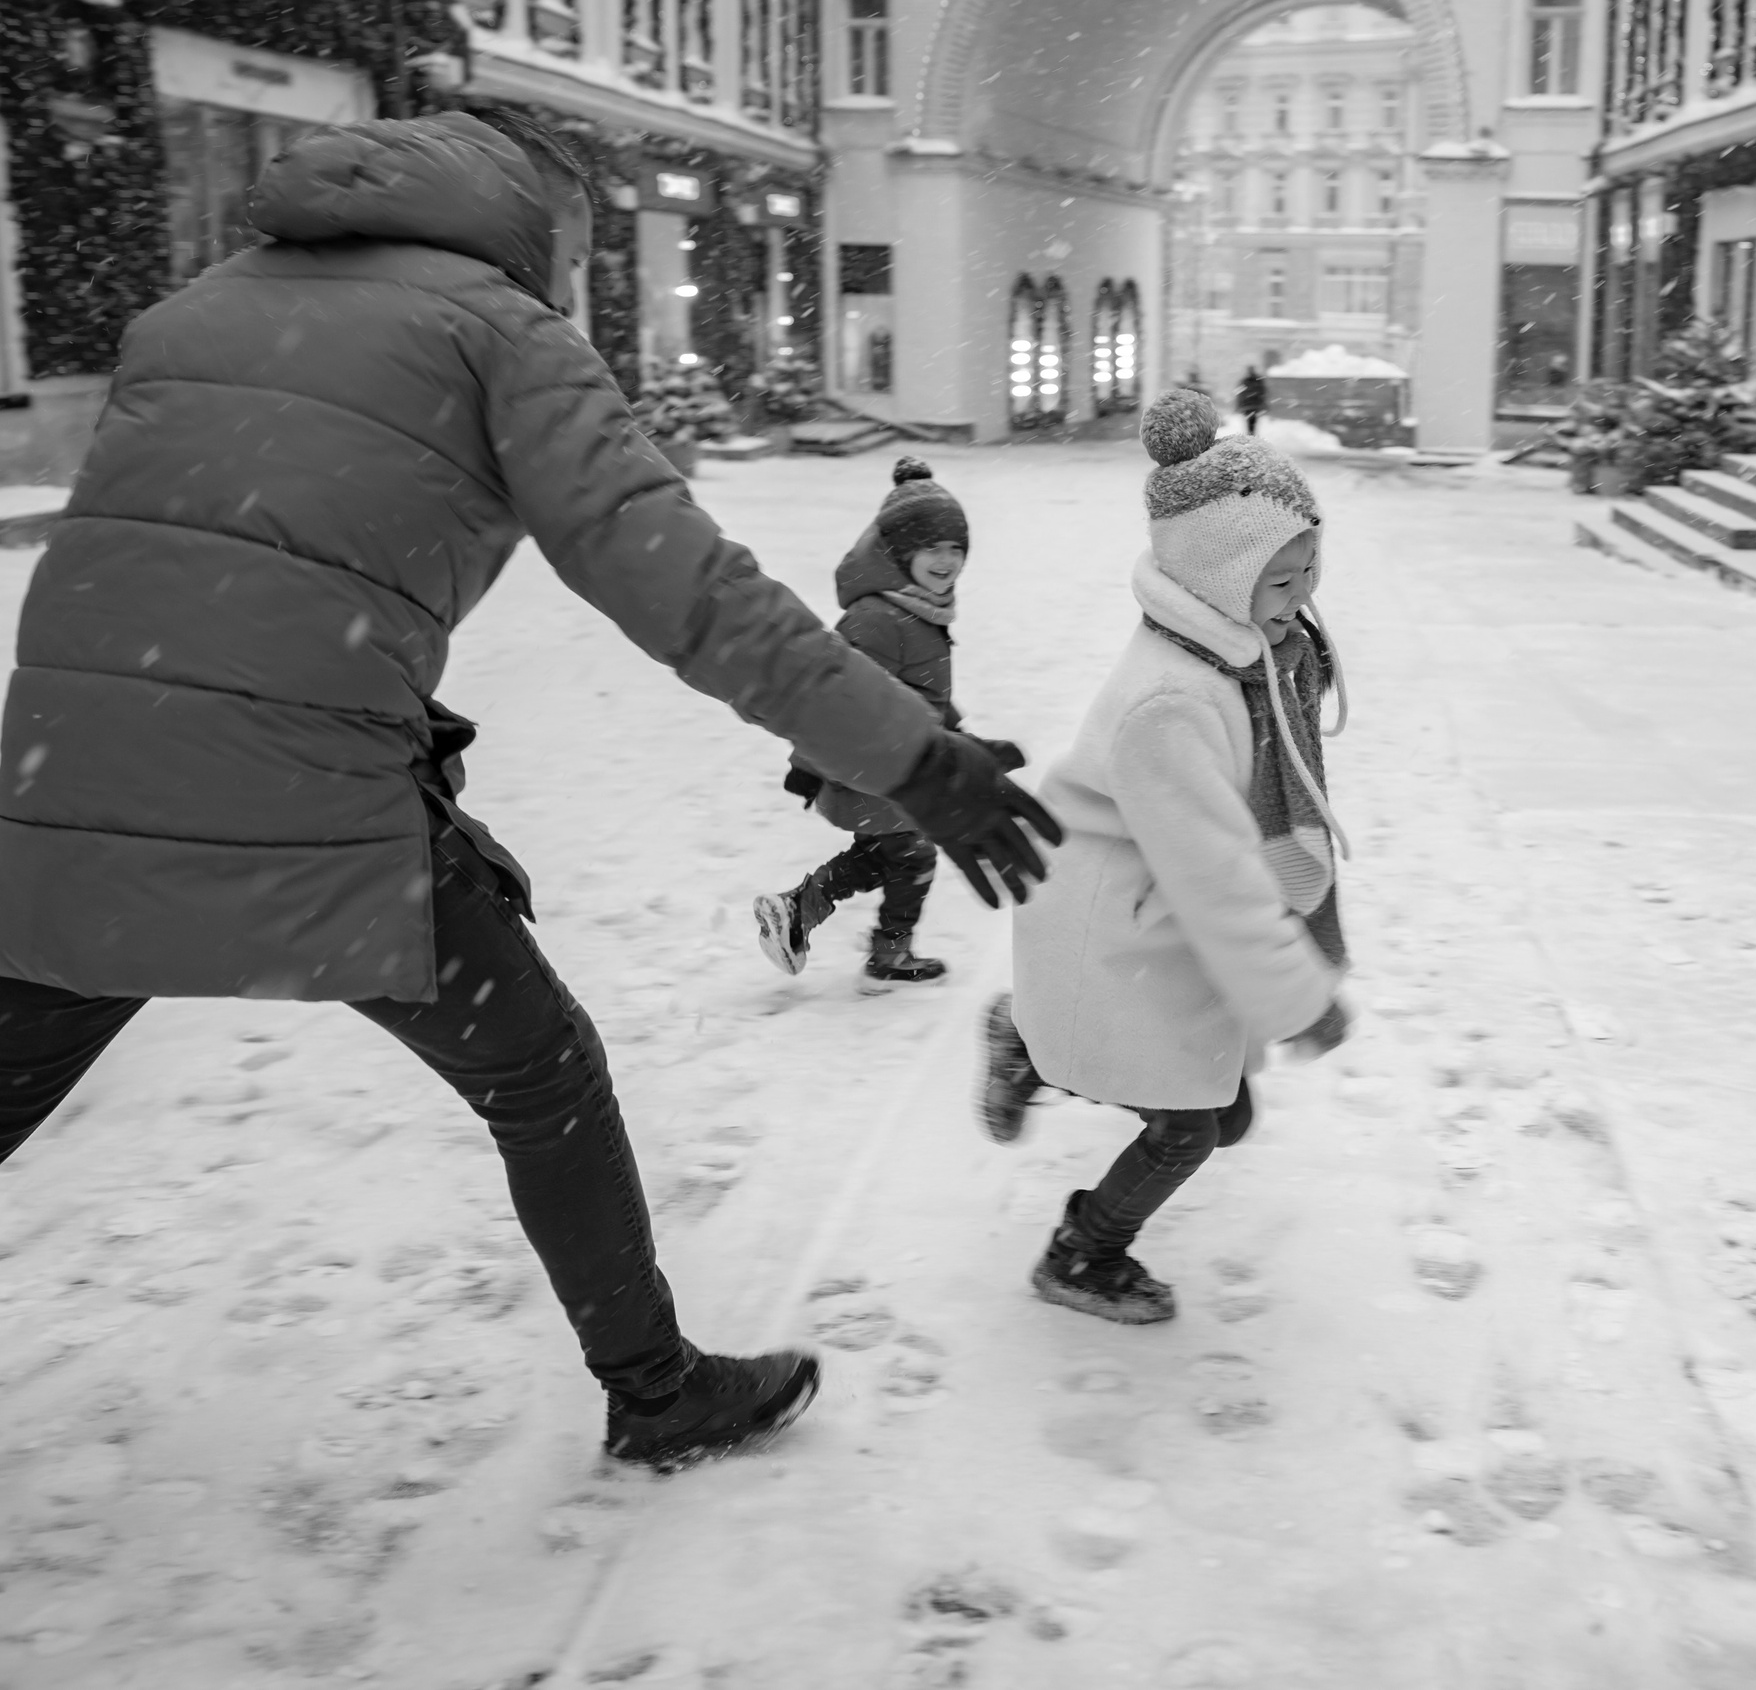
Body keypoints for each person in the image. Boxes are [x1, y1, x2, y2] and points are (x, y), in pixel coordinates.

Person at [0, 107, 1060, 1471]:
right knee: (541, 1070)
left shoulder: (195, 310)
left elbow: (209, 574)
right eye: (567, 233)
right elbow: (688, 589)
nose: (568, 262)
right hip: (307, 803)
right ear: (520, 210)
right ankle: (657, 1386)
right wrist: (917, 755)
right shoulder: (498, 331)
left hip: (61, 788)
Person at [978, 386, 1353, 1325]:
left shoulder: (1240, 654)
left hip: (1142, 915)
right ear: (1220, 578)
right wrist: (1296, 993)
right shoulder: (1174, 703)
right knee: (1194, 1126)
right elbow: (1220, 881)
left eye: (1310, 567)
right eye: (1280, 579)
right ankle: (1083, 1254)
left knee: (1223, 1112)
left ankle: (1026, 1042)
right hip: (1114, 926)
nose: (1302, 596)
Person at [756, 457, 1015, 987]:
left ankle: (802, 910)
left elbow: (921, 693)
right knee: (912, 856)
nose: (947, 561)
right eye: (931, 548)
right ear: (901, 552)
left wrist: (958, 737)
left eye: (955, 548)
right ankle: (883, 949)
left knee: (889, 855)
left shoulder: (917, 606)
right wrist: (806, 765)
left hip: (898, 760)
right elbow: (833, 696)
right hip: (875, 765)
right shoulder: (878, 617)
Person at [1236, 364, 1268, 435]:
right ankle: (1252, 434)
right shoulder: (1258, 380)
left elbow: (1241, 394)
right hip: (1254, 405)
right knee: (1253, 421)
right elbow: (1263, 392)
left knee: (1250, 421)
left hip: (1248, 405)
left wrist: (1239, 405)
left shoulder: (1245, 381)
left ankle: (1251, 434)